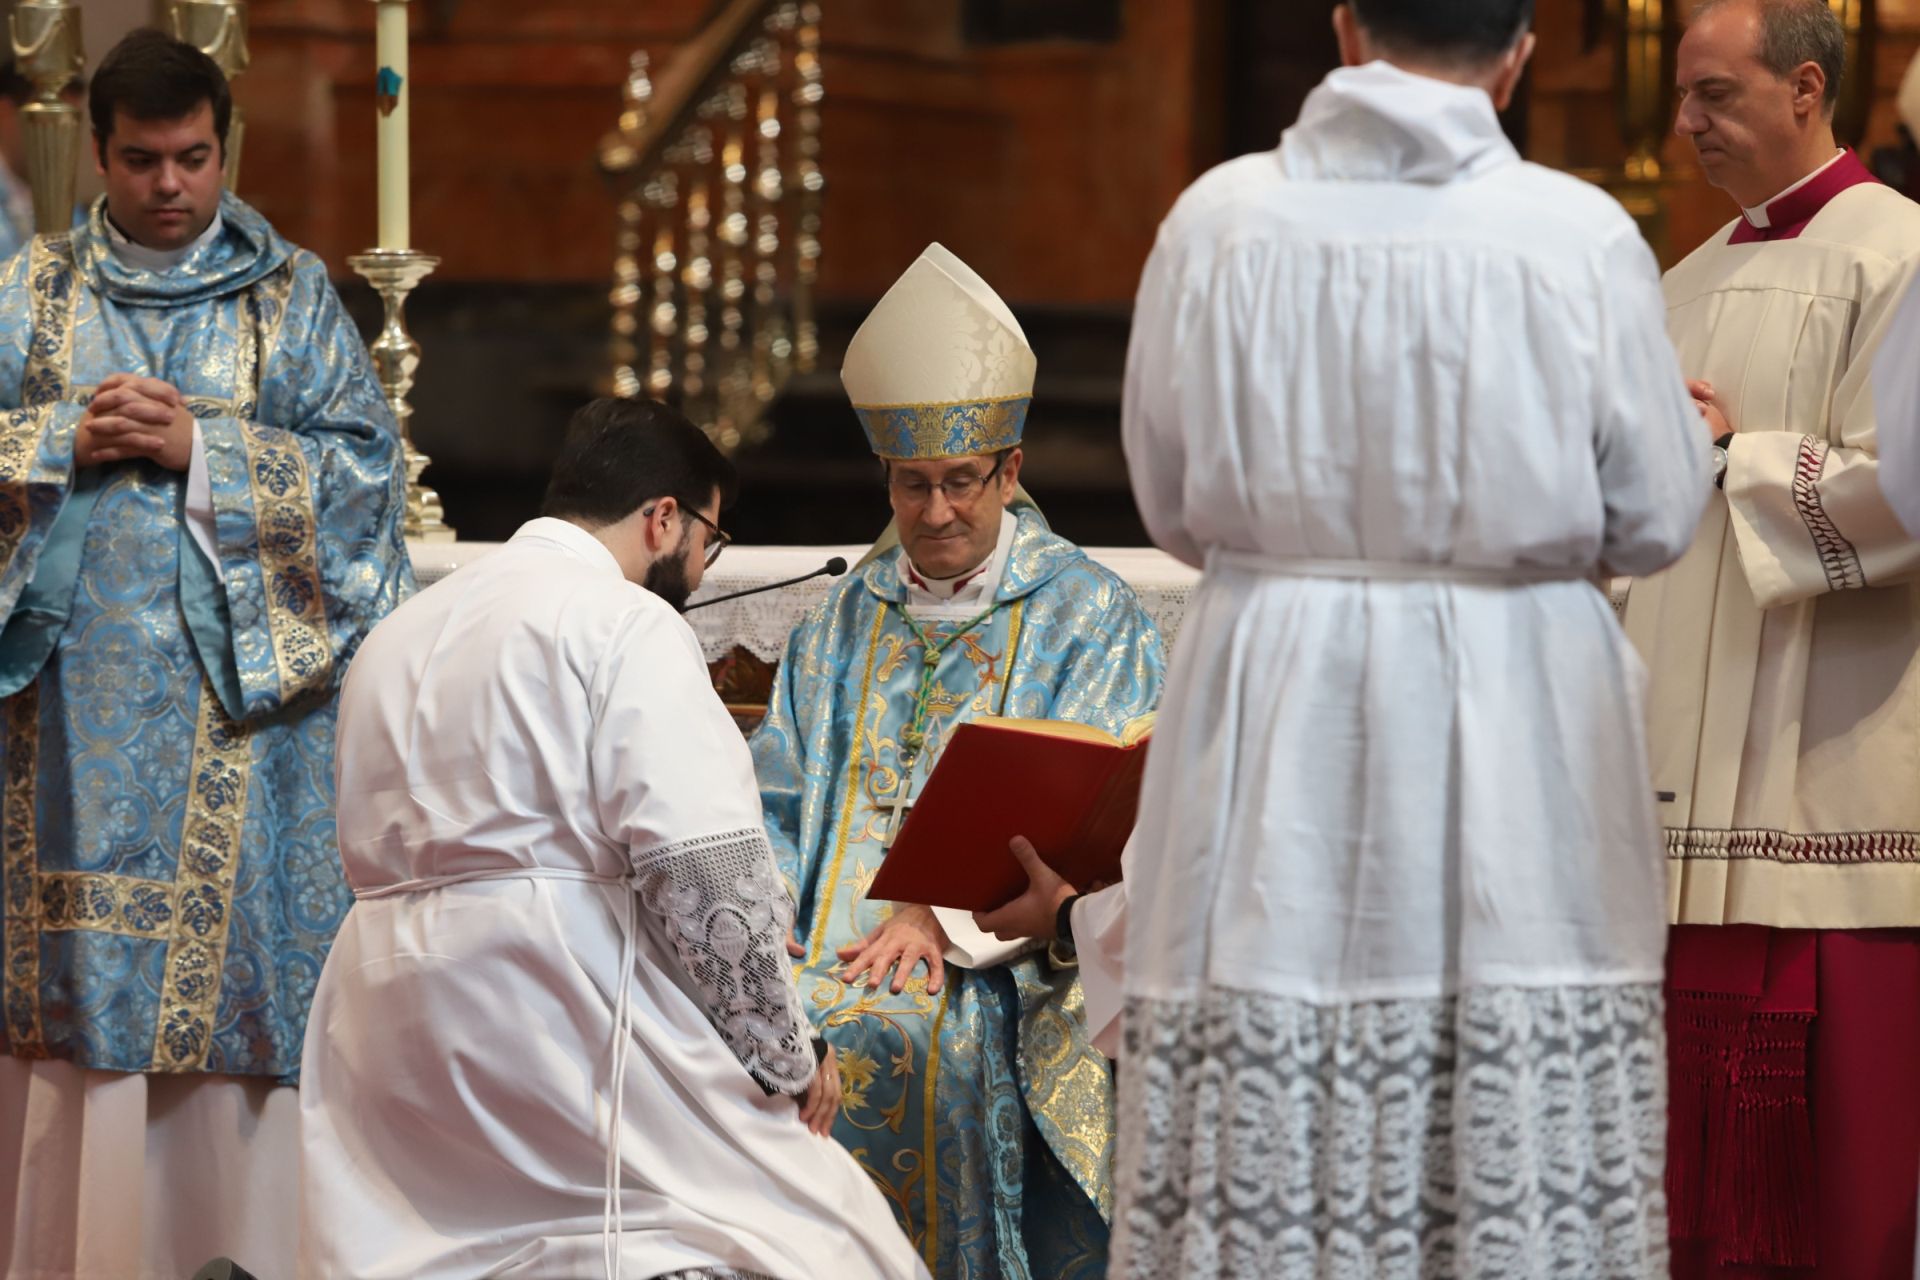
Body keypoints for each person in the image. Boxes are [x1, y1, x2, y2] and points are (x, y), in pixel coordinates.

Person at [1004, 0, 1706, 1273]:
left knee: (1277, 1085)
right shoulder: (1579, 233)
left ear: (1344, 30)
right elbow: (1658, 512)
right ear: (1519, 55)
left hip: (1282, 683)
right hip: (1516, 689)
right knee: (1501, 1093)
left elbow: (1170, 502)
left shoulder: (1219, 220)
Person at [300, 396, 928, 1280]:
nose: (701, 570)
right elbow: (703, 869)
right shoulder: (625, 620)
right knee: (828, 1236)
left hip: (382, 1012)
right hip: (550, 1004)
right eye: (709, 539)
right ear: (663, 517)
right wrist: (789, 1051)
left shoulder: (399, 632)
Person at [0, 28, 408, 1278]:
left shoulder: (290, 300)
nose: (170, 184)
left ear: (225, 147)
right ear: (99, 157)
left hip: (235, 727)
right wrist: (55, 443)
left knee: (220, 1004)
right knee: (73, 1003)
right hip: (61, 730)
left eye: (192, 157)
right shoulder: (28, 293)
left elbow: (366, 485)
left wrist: (207, 453)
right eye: (141, 160)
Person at [749, 243, 1166, 1279]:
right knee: (746, 1036)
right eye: (912, 485)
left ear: (1010, 471)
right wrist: (765, 935)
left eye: (961, 483)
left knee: (897, 1038)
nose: (935, 514)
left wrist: (937, 916)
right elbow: (771, 800)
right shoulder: (840, 621)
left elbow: (1102, 817)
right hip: (820, 945)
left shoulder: (1087, 617)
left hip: (996, 961)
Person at [1617, 1, 1920, 1273]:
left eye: (1716, 95)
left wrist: (1732, 454)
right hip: (1677, 789)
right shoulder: (1675, 283)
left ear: (1805, 87)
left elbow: (1907, 496)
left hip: (1825, 772)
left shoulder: (1897, 255)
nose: (1685, 122)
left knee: (1839, 1195)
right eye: (1683, 96)